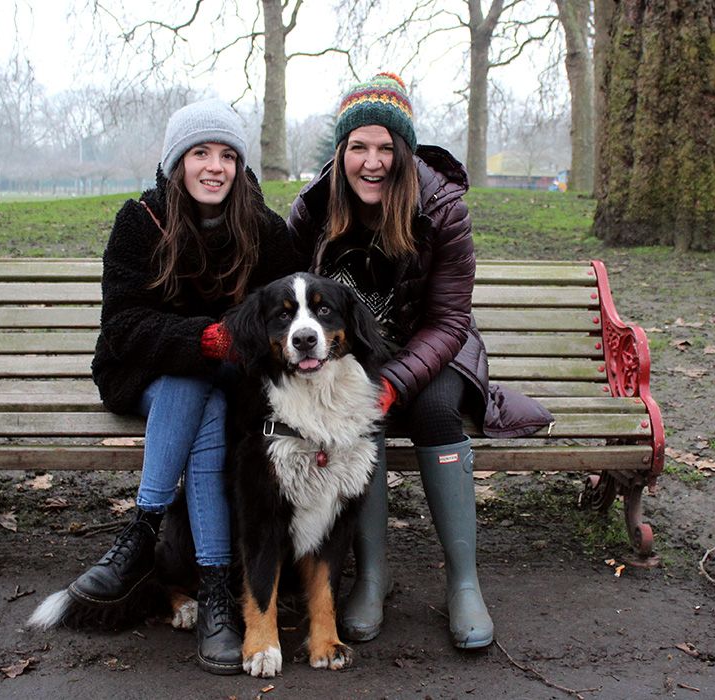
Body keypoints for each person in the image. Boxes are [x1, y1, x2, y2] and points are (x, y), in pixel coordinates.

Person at [75, 98, 297, 674]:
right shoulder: (140, 221)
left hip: (229, 384)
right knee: (188, 379)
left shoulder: (266, 231)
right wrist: (204, 340)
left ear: (240, 166)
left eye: (227, 154)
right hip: (143, 374)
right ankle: (215, 590)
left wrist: (223, 349)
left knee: (209, 398)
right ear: (178, 161)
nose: (214, 166)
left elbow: (282, 320)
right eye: (200, 152)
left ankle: (143, 540)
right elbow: (122, 326)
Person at [286, 73, 494, 649]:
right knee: (356, 413)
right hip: (353, 357)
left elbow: (451, 321)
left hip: (434, 347)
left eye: (385, 147)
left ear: (403, 151)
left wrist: (395, 382)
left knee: (432, 413)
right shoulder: (313, 209)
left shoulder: (442, 209)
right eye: (358, 147)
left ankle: (464, 583)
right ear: (341, 152)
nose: (371, 162)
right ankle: (373, 577)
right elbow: (286, 293)